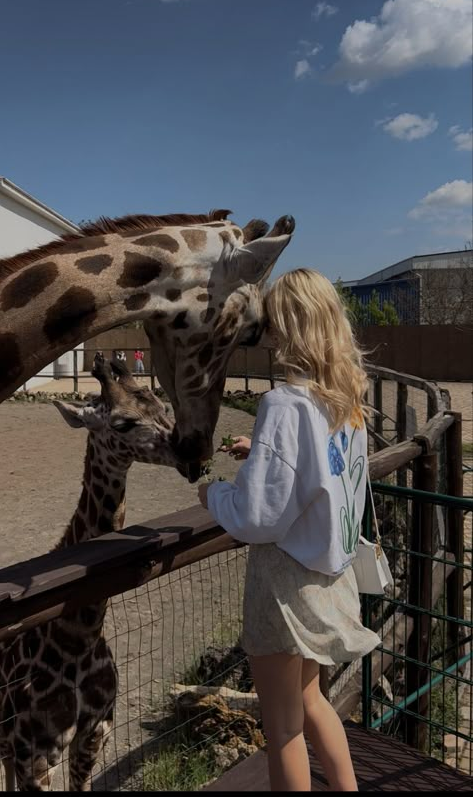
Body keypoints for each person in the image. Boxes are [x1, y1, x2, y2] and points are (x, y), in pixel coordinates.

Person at [198, 269, 380, 792]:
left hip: (285, 584)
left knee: (282, 730)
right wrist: (259, 453)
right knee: (311, 701)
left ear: (288, 325)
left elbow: (258, 515)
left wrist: (213, 494)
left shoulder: (283, 404)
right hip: (330, 574)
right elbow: (322, 472)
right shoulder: (346, 399)